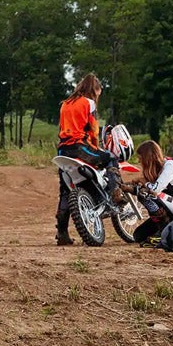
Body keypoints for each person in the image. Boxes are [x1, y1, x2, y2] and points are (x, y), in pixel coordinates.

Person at [54, 73, 125, 245]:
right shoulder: (89, 103)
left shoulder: (65, 104)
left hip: (63, 150)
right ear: (95, 90)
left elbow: (62, 127)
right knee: (110, 159)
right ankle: (115, 193)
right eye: (99, 93)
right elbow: (93, 129)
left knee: (65, 191)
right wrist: (97, 147)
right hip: (80, 148)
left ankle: (62, 233)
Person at [129, 140, 173, 245]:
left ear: (148, 158)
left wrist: (145, 183)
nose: (140, 162)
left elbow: (155, 190)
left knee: (146, 195)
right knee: (139, 236)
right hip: (168, 207)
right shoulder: (155, 169)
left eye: (141, 159)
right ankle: (162, 226)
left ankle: (164, 228)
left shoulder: (169, 165)